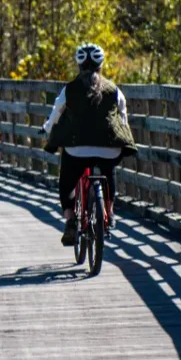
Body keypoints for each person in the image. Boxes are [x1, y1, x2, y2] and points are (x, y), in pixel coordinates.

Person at [42, 43, 137, 246]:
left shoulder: (69, 89)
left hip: (77, 149)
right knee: (108, 171)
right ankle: (109, 212)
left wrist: (47, 129)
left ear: (79, 66)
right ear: (101, 65)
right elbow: (123, 119)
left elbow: (55, 114)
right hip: (109, 147)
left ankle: (69, 221)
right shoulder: (114, 90)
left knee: (67, 181)